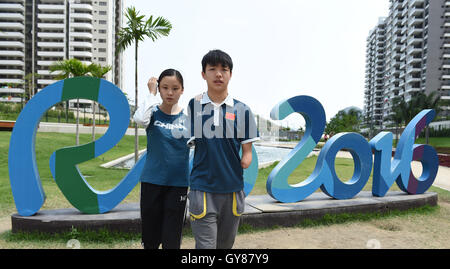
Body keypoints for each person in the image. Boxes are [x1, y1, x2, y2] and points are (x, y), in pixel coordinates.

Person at [186, 50, 260, 249]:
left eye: (223, 70)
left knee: (225, 245)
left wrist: (247, 155)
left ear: (230, 74)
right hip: (203, 188)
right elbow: (191, 140)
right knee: (205, 246)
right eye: (212, 69)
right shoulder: (195, 105)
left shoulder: (242, 109)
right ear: (204, 74)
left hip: (233, 188)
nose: (218, 74)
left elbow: (247, 149)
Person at [133, 69, 190, 249]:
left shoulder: (189, 119)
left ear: (182, 90)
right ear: (159, 89)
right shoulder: (152, 114)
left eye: (175, 88)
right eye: (165, 88)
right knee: (150, 238)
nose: (170, 92)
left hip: (178, 185)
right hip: (152, 182)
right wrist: (151, 94)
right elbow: (139, 119)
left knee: (171, 240)